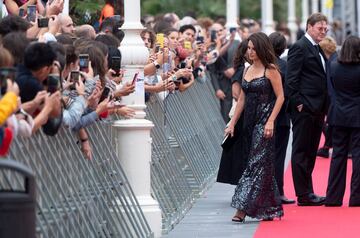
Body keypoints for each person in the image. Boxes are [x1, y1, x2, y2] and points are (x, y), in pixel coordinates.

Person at [226, 32, 284, 222]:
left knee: (254, 164)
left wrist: (271, 121)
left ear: (261, 48)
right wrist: (233, 123)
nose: (250, 52)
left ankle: (241, 210)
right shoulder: (247, 70)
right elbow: (242, 98)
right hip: (248, 123)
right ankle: (267, 208)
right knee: (262, 165)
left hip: (264, 123)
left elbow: (280, 97)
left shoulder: (271, 69)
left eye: (253, 48)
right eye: (248, 48)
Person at [286, 13, 328, 206]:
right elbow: (291, 79)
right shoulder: (299, 47)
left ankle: (308, 192)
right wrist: (299, 103)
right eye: (320, 28)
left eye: (325, 28)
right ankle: (303, 194)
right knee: (302, 150)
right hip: (305, 108)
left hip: (318, 108)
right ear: (309, 26)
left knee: (310, 151)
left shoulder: (316, 48)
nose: (324, 31)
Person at [325, 36, 360, 207]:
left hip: (338, 115)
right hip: (357, 116)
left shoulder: (333, 66)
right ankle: (357, 197)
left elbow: (332, 89)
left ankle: (333, 197)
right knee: (358, 157)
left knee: (338, 156)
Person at [216, 39, 248, 185]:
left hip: (244, 114)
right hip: (240, 115)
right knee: (238, 152)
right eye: (249, 49)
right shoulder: (242, 69)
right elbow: (236, 94)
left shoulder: (247, 68)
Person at [269, 32, 295, 204]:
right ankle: (278, 191)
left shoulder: (261, 66)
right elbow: (288, 91)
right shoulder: (284, 66)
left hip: (263, 115)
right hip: (281, 116)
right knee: (278, 156)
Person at [316, 36, 338, 159]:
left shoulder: (331, 62)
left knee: (327, 122)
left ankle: (327, 146)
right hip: (334, 98)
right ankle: (326, 146)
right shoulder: (334, 58)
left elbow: (330, 83)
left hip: (333, 98)